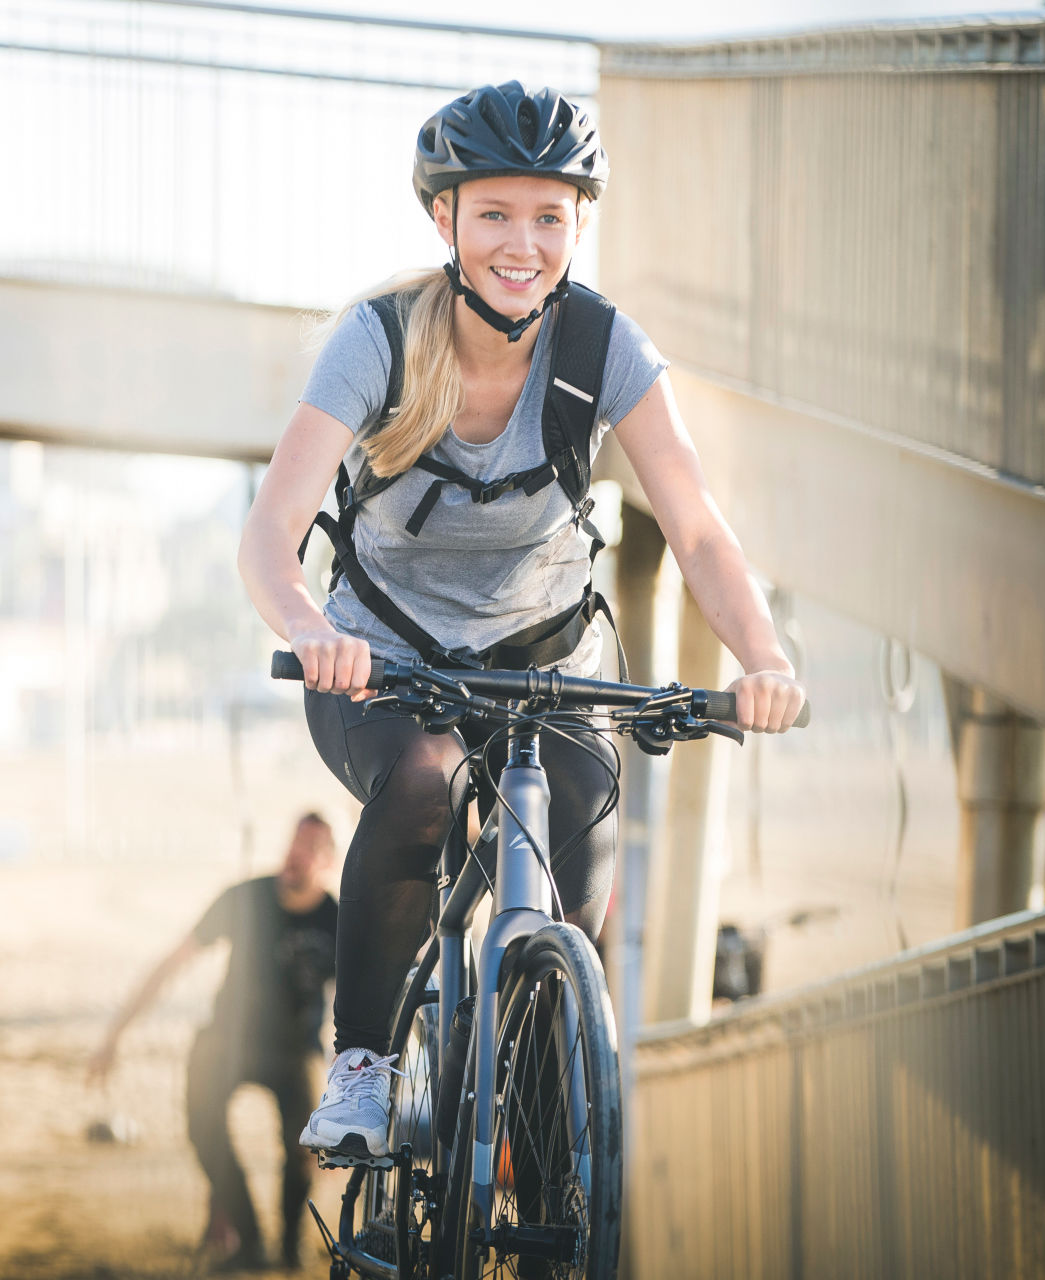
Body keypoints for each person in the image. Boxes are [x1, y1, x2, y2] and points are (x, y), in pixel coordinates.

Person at [234, 82, 807, 1162]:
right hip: (386, 668)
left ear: (579, 226)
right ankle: (364, 1067)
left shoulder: (604, 349)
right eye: (494, 213)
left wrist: (764, 657)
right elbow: (271, 530)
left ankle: (542, 1133)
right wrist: (311, 626)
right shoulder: (380, 341)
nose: (523, 244)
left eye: (550, 216)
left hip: (546, 665)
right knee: (423, 782)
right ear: (443, 219)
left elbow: (698, 531)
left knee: (577, 852)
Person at [87, 814, 340, 1272]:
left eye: (309, 850)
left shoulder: (337, 920)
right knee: (203, 1125)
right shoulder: (245, 898)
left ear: (328, 863)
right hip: (229, 1039)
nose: (295, 856)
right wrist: (114, 1037)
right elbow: (172, 963)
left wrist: (344, 1081)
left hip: (294, 1050)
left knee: (307, 1145)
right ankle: (246, 1238)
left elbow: (356, 1006)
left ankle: (289, 1248)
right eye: (293, 844)